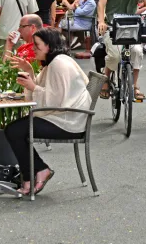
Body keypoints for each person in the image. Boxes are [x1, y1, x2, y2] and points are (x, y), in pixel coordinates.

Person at [6, 28, 91, 196]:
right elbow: (46, 92)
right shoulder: (54, 62)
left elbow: (55, 99)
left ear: (49, 46)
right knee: (15, 130)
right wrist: (30, 72)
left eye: (37, 45)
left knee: (14, 130)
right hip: (67, 117)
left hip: (67, 121)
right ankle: (36, 172)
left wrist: (32, 86)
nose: (34, 49)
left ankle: (37, 173)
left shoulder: (58, 63)